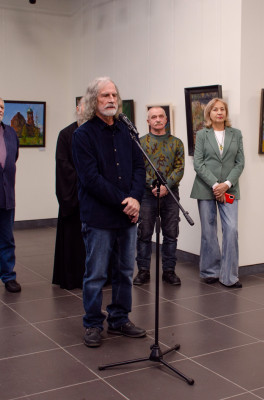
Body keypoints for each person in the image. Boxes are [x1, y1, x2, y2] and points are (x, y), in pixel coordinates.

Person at [72, 77, 146, 348]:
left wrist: (135, 199)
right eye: (105, 95)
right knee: (96, 274)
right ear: (94, 100)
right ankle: (93, 323)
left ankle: (119, 319)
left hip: (127, 216)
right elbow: (91, 179)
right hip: (99, 217)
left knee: (125, 271)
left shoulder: (127, 130)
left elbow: (140, 167)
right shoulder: (83, 135)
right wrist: (125, 201)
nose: (112, 99)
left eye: (114, 95)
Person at [190, 98, 245, 288]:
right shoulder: (202, 134)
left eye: (222, 109)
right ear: (209, 113)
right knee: (209, 230)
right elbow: (198, 163)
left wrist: (226, 184)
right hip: (206, 188)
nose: (219, 112)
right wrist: (216, 185)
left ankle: (230, 276)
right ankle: (210, 271)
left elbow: (240, 163)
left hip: (230, 189)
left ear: (226, 113)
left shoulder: (236, 134)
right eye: (215, 109)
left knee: (231, 229)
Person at [134, 107, 185, 286]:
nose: (157, 119)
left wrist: (166, 186)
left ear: (166, 119)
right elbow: (138, 168)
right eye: (153, 117)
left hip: (171, 194)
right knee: (144, 233)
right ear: (148, 121)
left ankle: (169, 271)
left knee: (171, 234)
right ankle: (143, 271)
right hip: (147, 194)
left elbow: (179, 168)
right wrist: (153, 185)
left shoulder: (177, 143)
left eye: (161, 116)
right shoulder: (140, 143)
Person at [52, 99, 86, 290]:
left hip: (96, 198)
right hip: (74, 196)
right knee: (74, 239)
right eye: (84, 106)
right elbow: (63, 166)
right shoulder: (66, 134)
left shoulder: (98, 133)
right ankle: (73, 277)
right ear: (77, 109)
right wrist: (85, 179)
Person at [0, 98, 21, 293]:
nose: (0, 110)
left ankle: (8, 277)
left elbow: (13, 159)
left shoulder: (11, 132)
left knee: (7, 238)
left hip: (6, 195)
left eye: (1, 107)